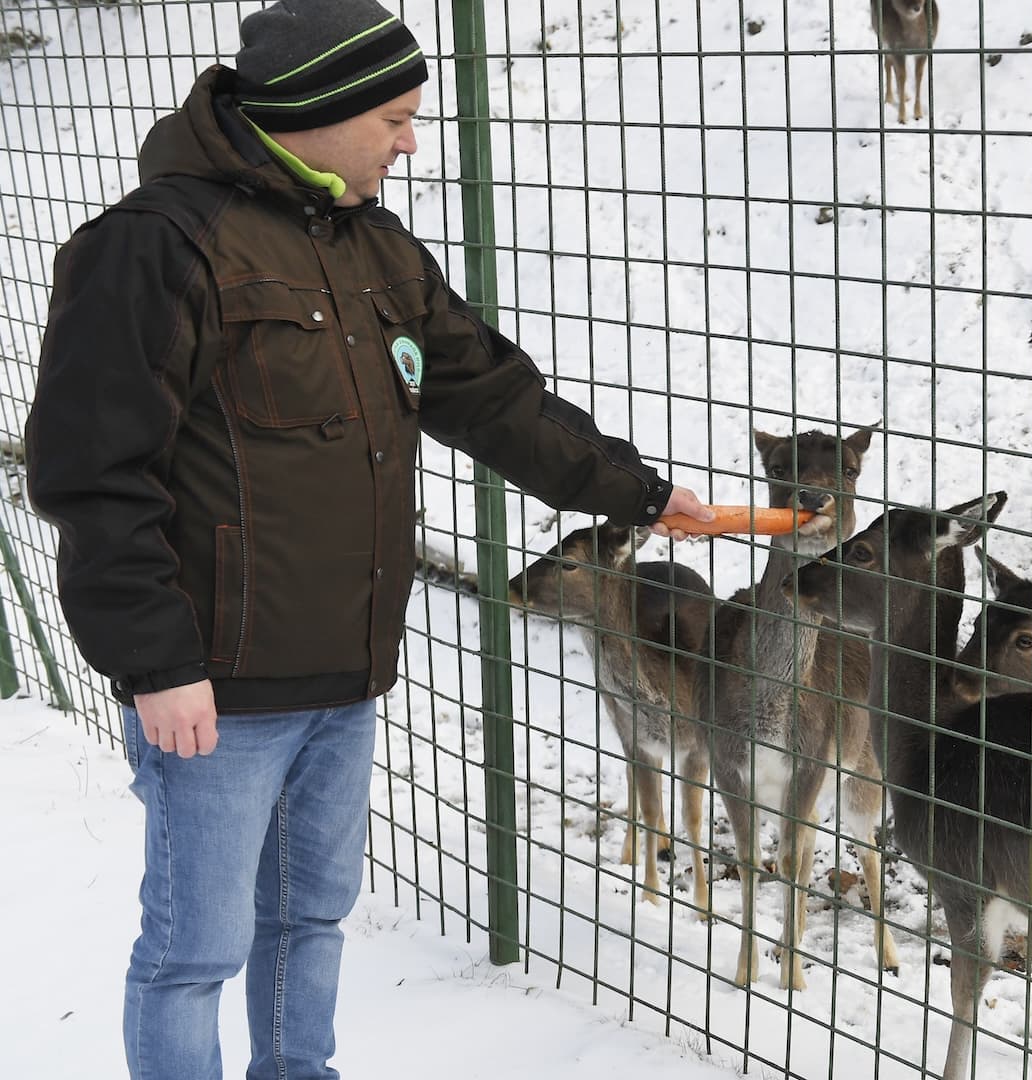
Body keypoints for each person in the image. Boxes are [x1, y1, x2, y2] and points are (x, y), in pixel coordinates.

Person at [21, 2, 715, 1077]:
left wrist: (640, 493)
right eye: (394, 119)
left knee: (309, 921)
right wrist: (155, 661)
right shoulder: (157, 246)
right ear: (320, 111)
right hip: (212, 690)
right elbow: (95, 472)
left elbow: (493, 399)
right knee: (193, 953)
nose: (410, 142)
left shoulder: (374, 248)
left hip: (343, 676)